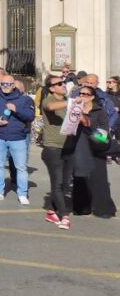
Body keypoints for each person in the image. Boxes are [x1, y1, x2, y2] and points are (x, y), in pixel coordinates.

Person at [0, 73, 35, 204]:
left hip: (18, 138)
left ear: (13, 85)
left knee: (21, 167)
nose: (5, 86)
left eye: (8, 84)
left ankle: (22, 193)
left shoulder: (25, 100)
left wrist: (16, 109)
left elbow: (30, 117)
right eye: (3, 84)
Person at [68, 86, 117, 218]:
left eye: (85, 94)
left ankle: (104, 209)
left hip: (96, 147)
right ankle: (82, 207)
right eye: (80, 93)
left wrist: (88, 125)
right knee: (80, 178)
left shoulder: (99, 111)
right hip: (79, 146)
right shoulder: (74, 109)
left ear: (92, 97)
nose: (82, 95)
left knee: (99, 179)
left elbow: (104, 132)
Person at [40, 75, 72, 229]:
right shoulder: (48, 99)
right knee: (58, 184)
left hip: (67, 148)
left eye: (64, 82)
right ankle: (64, 216)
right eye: (59, 83)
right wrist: (71, 102)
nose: (63, 85)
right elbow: (50, 108)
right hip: (52, 149)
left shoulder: (67, 101)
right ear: (52, 88)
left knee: (64, 184)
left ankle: (51, 212)